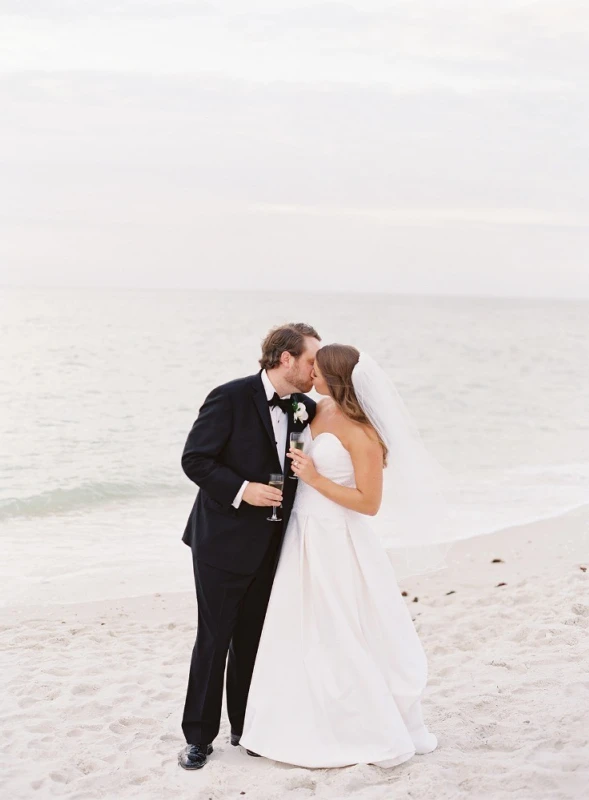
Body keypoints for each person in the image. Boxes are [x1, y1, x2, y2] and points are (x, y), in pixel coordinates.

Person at [239, 344, 439, 768]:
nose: (311, 372)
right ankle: (294, 715)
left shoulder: (364, 432)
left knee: (339, 627)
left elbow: (368, 503)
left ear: (336, 376)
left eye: (318, 368)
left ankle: (356, 721)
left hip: (335, 537)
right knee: (298, 624)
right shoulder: (315, 410)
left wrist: (312, 476)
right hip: (301, 532)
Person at [178, 322, 321, 770]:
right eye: (311, 361)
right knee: (214, 639)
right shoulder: (230, 396)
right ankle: (199, 738)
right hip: (221, 542)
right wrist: (244, 489)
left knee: (253, 640)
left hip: (275, 544)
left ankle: (245, 729)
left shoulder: (305, 407)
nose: (316, 370)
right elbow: (195, 459)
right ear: (286, 359)